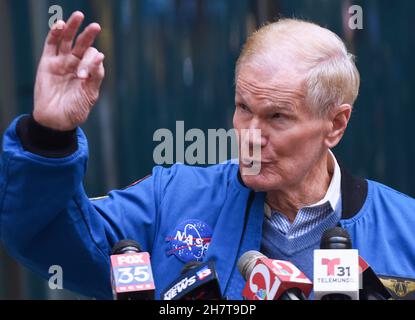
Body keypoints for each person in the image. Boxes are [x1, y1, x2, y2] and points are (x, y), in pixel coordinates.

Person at [0, 11, 414, 300]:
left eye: (277, 117)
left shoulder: (405, 230)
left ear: (336, 125)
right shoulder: (171, 201)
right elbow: (47, 236)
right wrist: (50, 136)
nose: (251, 136)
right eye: (244, 108)